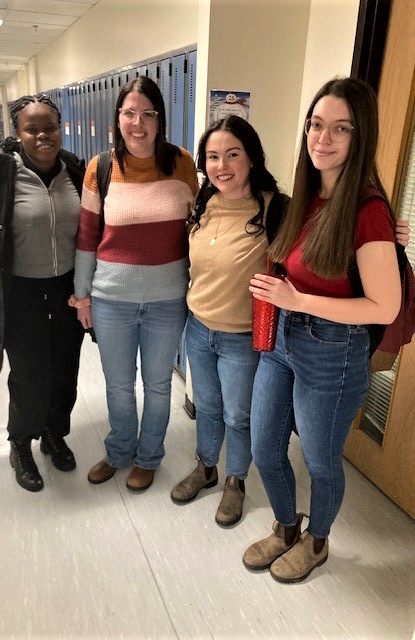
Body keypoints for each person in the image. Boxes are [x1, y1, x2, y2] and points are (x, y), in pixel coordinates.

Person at [243, 77, 402, 583]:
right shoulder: (305, 197)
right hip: (282, 342)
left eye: (340, 129)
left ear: (361, 139)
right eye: (316, 124)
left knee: (320, 460)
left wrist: (297, 298)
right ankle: (287, 527)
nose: (322, 138)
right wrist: (277, 289)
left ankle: (317, 541)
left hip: (333, 352)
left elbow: (385, 306)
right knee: (264, 446)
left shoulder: (368, 211)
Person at [72, 76, 198, 492]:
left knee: (159, 386)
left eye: (147, 113)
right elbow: (87, 237)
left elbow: (203, 226)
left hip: (167, 299)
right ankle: (119, 451)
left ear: (160, 119)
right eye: (129, 113)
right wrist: (83, 295)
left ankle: (148, 457)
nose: (137, 123)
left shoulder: (182, 164)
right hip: (112, 300)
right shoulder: (101, 167)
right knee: (119, 386)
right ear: (117, 119)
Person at [0, 94, 86, 492]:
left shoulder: (76, 170)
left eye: (50, 126)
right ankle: (20, 443)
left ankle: (53, 433)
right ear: (18, 133)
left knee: (65, 372)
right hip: (20, 292)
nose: (42, 135)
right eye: (32, 129)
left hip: (66, 291)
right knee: (30, 374)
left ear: (61, 127)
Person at [170, 115, 287, 526]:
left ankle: (235, 481)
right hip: (198, 327)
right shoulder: (203, 200)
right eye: (213, 157)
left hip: (242, 337)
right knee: (206, 405)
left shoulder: (276, 208)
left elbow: (315, 249)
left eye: (232, 155)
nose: (222, 166)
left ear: (252, 157)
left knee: (239, 414)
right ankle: (206, 467)